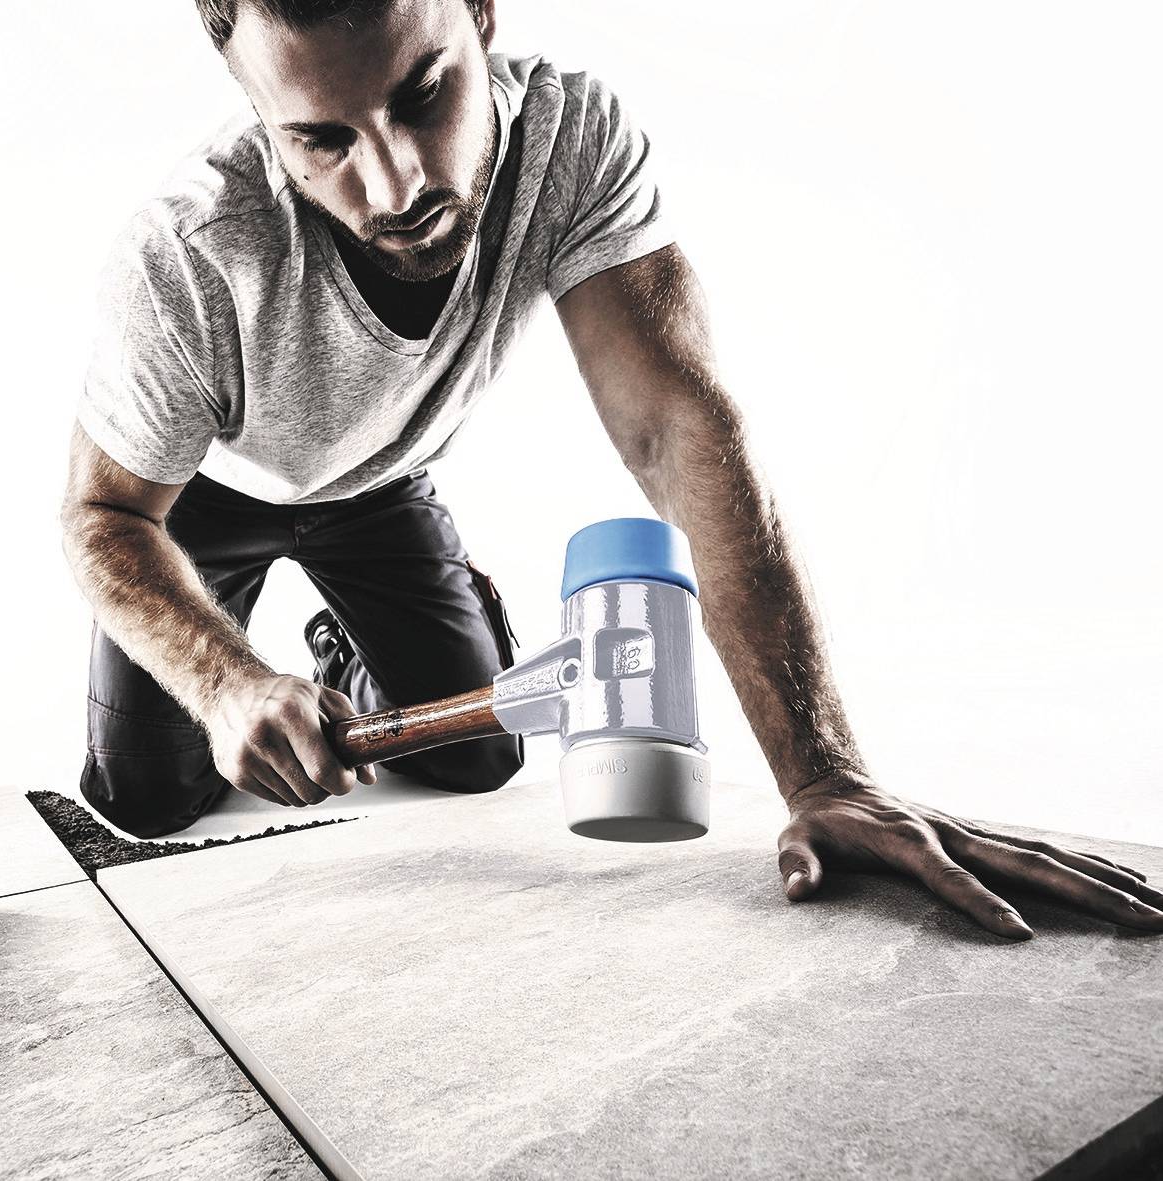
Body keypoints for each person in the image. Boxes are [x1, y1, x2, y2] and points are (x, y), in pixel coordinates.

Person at [59, 0, 1163, 939]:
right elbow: (103, 512)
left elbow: (679, 431)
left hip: (383, 486)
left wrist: (821, 770)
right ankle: (265, 670)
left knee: (479, 762)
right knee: (151, 800)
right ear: (258, 118)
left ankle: (343, 649)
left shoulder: (570, 142)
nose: (395, 185)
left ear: (480, 13)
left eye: (422, 95)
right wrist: (226, 683)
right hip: (201, 502)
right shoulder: (189, 253)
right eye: (321, 142)